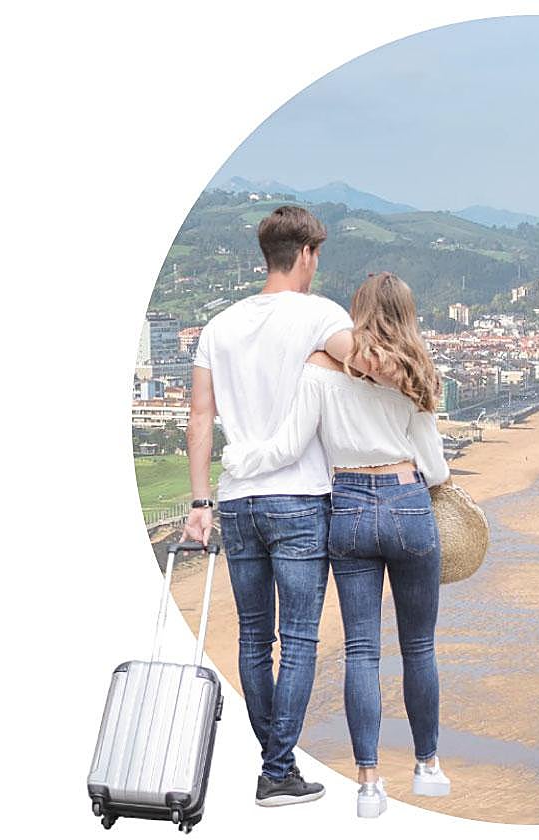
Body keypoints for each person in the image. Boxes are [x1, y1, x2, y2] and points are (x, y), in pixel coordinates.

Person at [222, 271, 452, 819]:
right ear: (408, 313)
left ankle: (369, 784)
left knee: (361, 652)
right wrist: (429, 483)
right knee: (419, 647)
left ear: (356, 312)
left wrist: (239, 461)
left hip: (347, 507)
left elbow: (288, 445)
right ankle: (427, 768)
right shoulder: (415, 372)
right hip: (406, 499)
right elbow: (435, 463)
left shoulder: (321, 370)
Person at [183, 206, 371, 807]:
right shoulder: (321, 315)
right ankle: (278, 771)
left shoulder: (219, 326)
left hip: (238, 501)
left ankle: (275, 760)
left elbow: (200, 419)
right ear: (308, 254)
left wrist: (198, 501)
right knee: (298, 639)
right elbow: (367, 363)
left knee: (253, 638)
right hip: (299, 497)